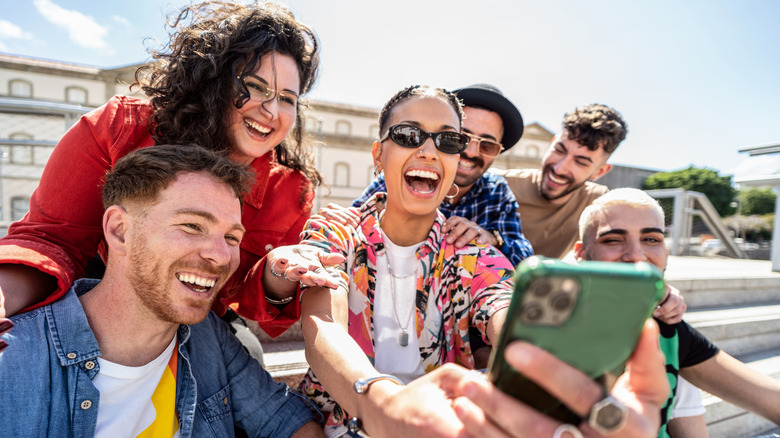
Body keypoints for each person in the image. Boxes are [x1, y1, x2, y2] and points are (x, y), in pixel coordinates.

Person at [266, 85, 668, 438]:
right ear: (379, 154)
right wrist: (380, 404)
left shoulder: (472, 252)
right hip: (340, 421)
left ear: (458, 163)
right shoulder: (336, 227)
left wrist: (555, 360)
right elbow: (324, 326)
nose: (428, 150)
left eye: (448, 141)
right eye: (408, 135)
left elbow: (503, 306)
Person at [0, 1, 340, 343]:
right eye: (255, 86)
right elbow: (50, 240)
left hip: (197, 324)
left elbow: (245, 296)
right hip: (90, 314)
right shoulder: (117, 129)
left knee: (246, 350)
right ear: (213, 80)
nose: (270, 110)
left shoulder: (290, 190)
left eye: (287, 98)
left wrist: (276, 271)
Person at [0, 145, 322, 437]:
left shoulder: (208, 338)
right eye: (193, 226)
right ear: (120, 231)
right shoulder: (14, 358)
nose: (222, 255)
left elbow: (287, 421)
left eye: (231, 238)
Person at [575, 188, 780, 437]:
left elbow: (769, 399)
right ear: (581, 255)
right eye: (613, 240)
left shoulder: (669, 333)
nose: (636, 256)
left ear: (665, 254)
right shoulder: (547, 328)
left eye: (651, 239)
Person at [351, 84, 533, 266]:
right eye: (459, 139)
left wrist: (493, 239)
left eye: (488, 145)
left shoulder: (496, 191)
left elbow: (524, 257)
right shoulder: (395, 177)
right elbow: (353, 223)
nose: (471, 151)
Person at [494, 103, 627, 259]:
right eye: (559, 150)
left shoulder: (597, 202)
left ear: (600, 171)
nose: (559, 168)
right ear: (552, 143)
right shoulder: (499, 185)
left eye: (580, 162)